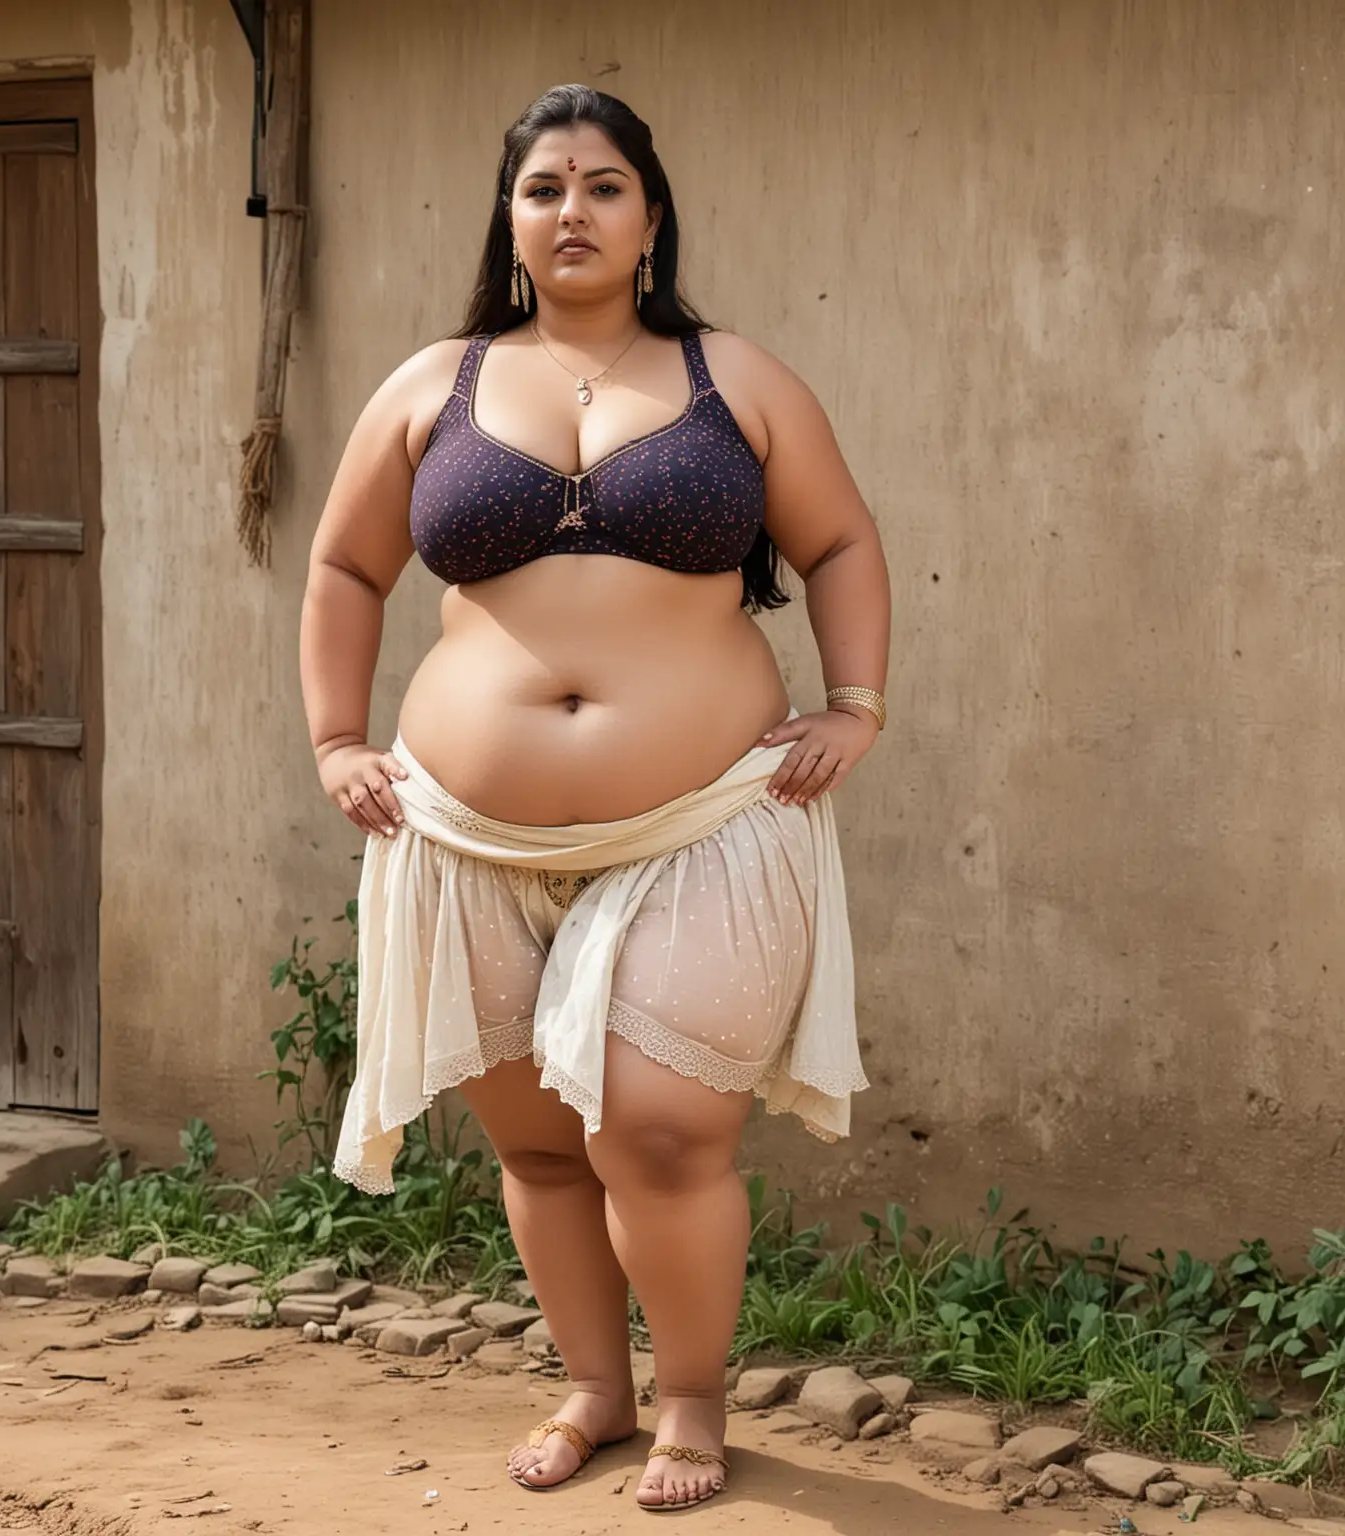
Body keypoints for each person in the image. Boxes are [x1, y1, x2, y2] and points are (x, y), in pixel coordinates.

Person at [299, 83, 891, 1513]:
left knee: (663, 1131)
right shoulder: (430, 384)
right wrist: (335, 739)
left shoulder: (733, 377)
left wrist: (857, 706)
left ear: (650, 217)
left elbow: (842, 541)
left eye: (604, 185)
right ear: (511, 222)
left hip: (699, 822)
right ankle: (595, 1390)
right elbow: (345, 571)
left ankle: (689, 1397)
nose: (574, 209)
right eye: (545, 186)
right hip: (466, 829)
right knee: (542, 1145)